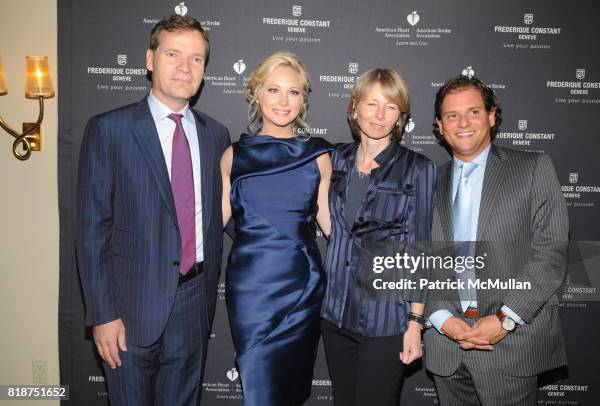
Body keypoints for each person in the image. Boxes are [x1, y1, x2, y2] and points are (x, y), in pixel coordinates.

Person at [76, 15, 230, 405]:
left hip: (194, 301)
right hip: (128, 308)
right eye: (173, 54)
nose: (184, 66)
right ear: (149, 59)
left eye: (196, 59)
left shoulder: (216, 135)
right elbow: (92, 229)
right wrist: (102, 314)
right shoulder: (110, 129)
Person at [423, 75, 569, 406]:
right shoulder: (426, 182)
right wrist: (443, 319)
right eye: (452, 115)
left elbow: (551, 253)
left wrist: (505, 319)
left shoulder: (533, 168)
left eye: (473, 112)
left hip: (510, 347)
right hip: (448, 348)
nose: (463, 123)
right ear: (439, 126)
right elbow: (419, 258)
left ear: (491, 116)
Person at [220, 51, 333, 405]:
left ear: (304, 100)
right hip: (251, 289)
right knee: (260, 387)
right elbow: (213, 226)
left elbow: (332, 226)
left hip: (303, 285)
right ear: (256, 94)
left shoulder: (317, 155)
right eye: (273, 90)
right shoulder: (233, 155)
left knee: (290, 387)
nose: (283, 101)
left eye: (294, 92)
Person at [320, 68, 436, 406]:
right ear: (355, 108)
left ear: (400, 115)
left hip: (385, 321)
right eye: (371, 104)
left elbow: (419, 249)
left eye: (390, 106)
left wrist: (415, 322)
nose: (379, 114)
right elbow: (333, 226)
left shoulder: (417, 168)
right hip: (335, 314)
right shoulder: (335, 159)